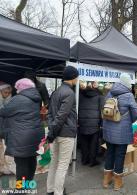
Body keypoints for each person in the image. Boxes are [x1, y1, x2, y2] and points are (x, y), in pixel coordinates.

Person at [0, 78, 44, 185]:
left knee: (21, 165)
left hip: (21, 137)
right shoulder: (36, 98)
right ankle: (28, 184)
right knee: (31, 160)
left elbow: (4, 112)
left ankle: (21, 189)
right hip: (34, 135)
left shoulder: (18, 99)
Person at [102, 73, 137, 191]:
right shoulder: (129, 95)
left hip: (108, 129)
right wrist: (128, 121)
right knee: (120, 155)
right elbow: (136, 114)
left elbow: (105, 109)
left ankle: (106, 179)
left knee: (110, 153)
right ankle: (118, 181)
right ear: (128, 83)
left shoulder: (110, 92)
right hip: (122, 131)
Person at [46, 66, 79, 195]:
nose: (77, 79)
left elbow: (50, 114)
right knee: (62, 165)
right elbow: (61, 116)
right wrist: (52, 132)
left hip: (56, 132)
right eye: (76, 76)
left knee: (54, 163)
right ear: (73, 77)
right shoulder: (69, 93)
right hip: (65, 133)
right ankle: (58, 192)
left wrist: (51, 131)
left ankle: (50, 190)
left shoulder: (56, 91)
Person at [78, 81, 103, 167]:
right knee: (93, 143)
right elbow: (101, 111)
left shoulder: (80, 95)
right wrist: (101, 122)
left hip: (82, 122)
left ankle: (85, 160)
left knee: (84, 143)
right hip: (94, 123)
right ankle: (92, 161)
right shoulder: (99, 96)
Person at [0, 83, 16, 176]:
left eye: (8, 92)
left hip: (3, 127)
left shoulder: (7, 100)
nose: (7, 94)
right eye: (5, 92)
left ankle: (3, 167)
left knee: (2, 148)